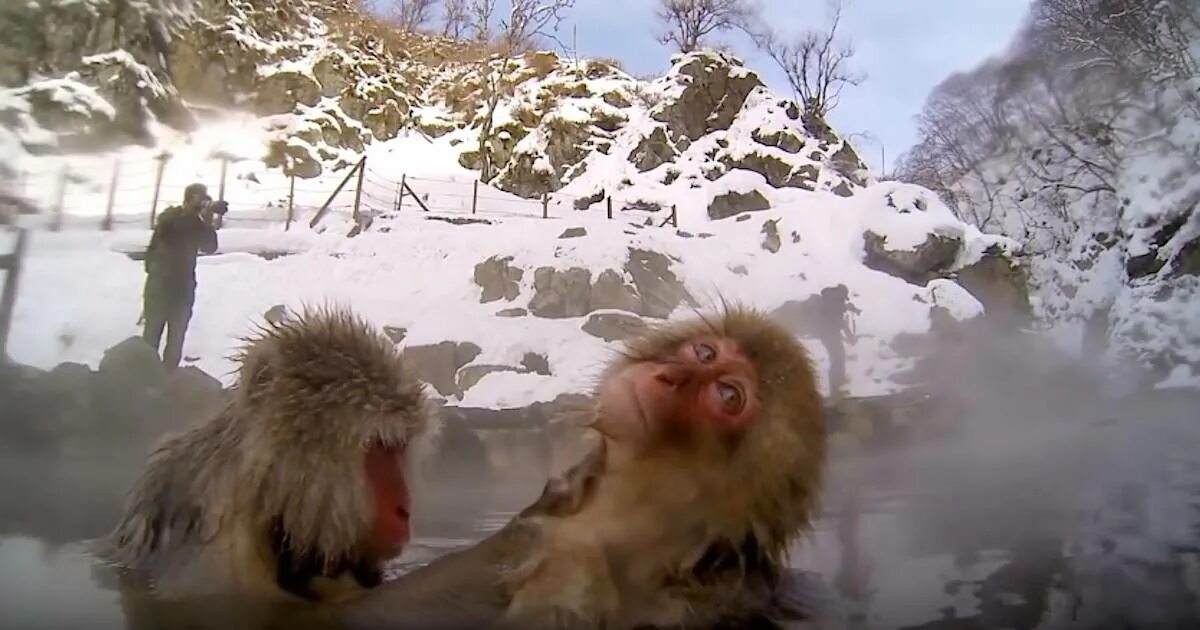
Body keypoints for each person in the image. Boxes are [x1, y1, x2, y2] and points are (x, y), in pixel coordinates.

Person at [141, 183, 224, 368]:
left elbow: (210, 247)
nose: (201, 204)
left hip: (182, 290)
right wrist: (200, 214)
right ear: (189, 199)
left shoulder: (196, 224)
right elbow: (177, 229)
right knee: (150, 339)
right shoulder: (170, 218)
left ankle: (168, 380)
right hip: (159, 288)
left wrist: (208, 219)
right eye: (198, 199)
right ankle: (144, 380)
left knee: (176, 341)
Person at [816, 284, 861, 402]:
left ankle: (838, 386)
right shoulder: (834, 303)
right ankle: (835, 391)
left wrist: (850, 308)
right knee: (837, 360)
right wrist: (850, 337)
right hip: (829, 334)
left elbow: (842, 307)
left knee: (839, 358)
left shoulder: (831, 300)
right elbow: (841, 322)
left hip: (828, 333)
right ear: (841, 295)